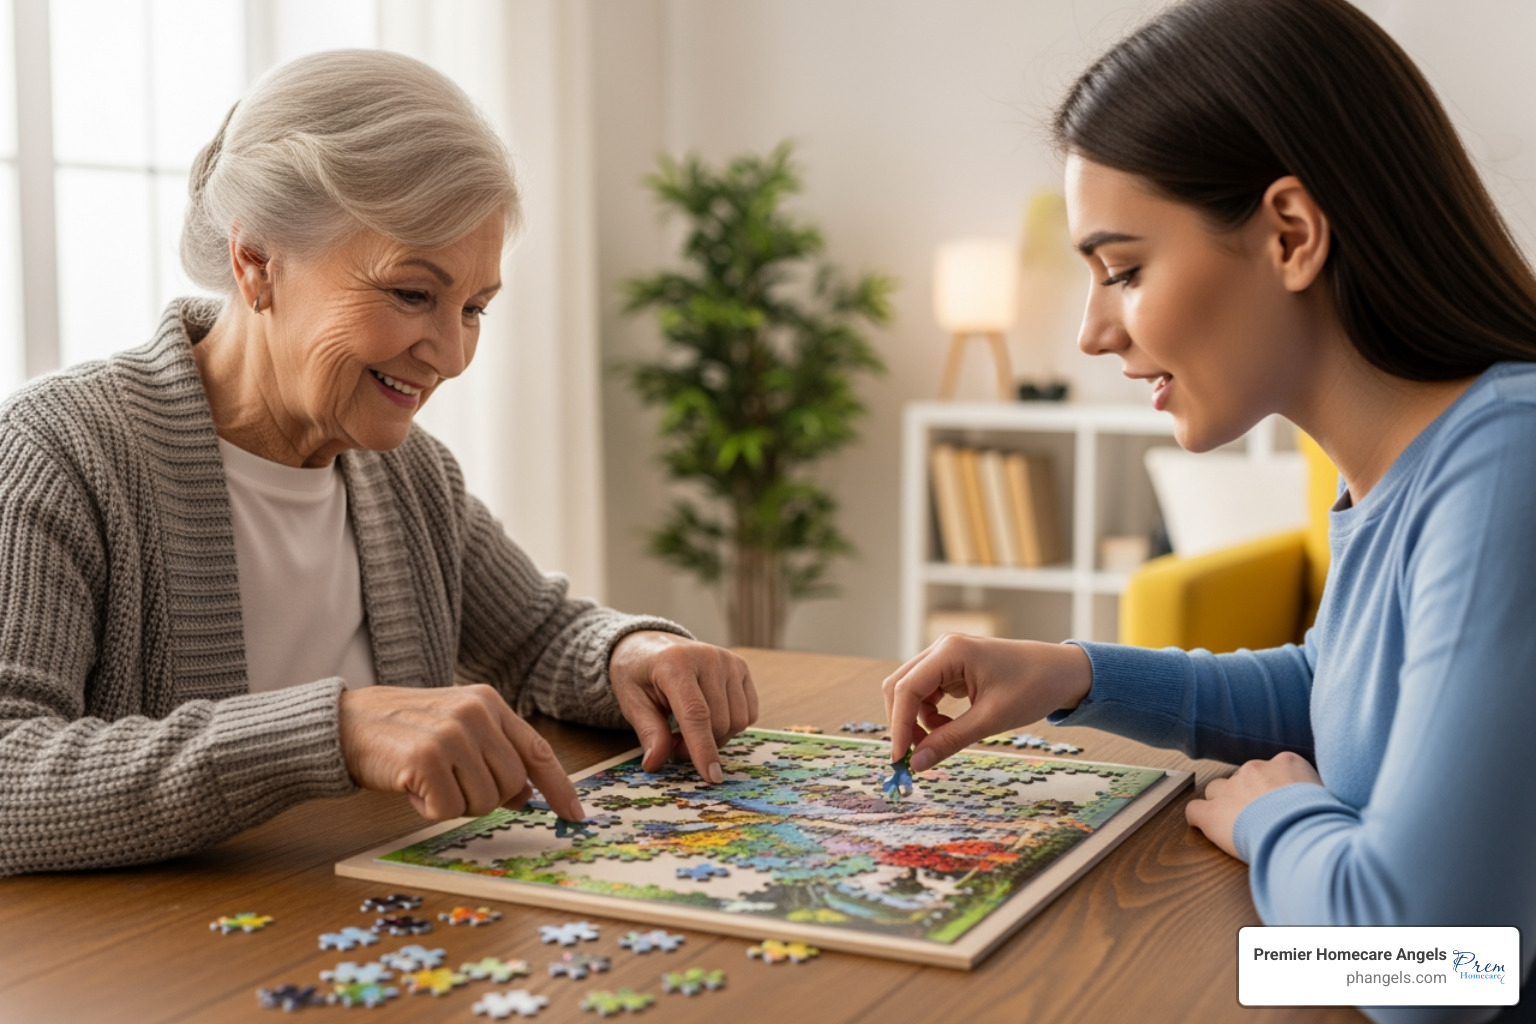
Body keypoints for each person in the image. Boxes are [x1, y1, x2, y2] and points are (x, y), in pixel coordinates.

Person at [885, 0, 1532, 1018]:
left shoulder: (1509, 461)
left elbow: (1436, 968)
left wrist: (1276, 820)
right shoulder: (1403, 462)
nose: (1095, 331)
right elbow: (1343, 691)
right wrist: (1071, 673)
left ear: (1290, 233)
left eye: (1125, 270)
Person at [0, 49, 757, 879]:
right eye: (411, 294)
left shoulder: (408, 476)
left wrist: (633, 653)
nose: (452, 354)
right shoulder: (57, 453)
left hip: (375, 947)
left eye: (473, 308)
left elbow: (540, 636)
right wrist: (336, 730)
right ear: (256, 263)